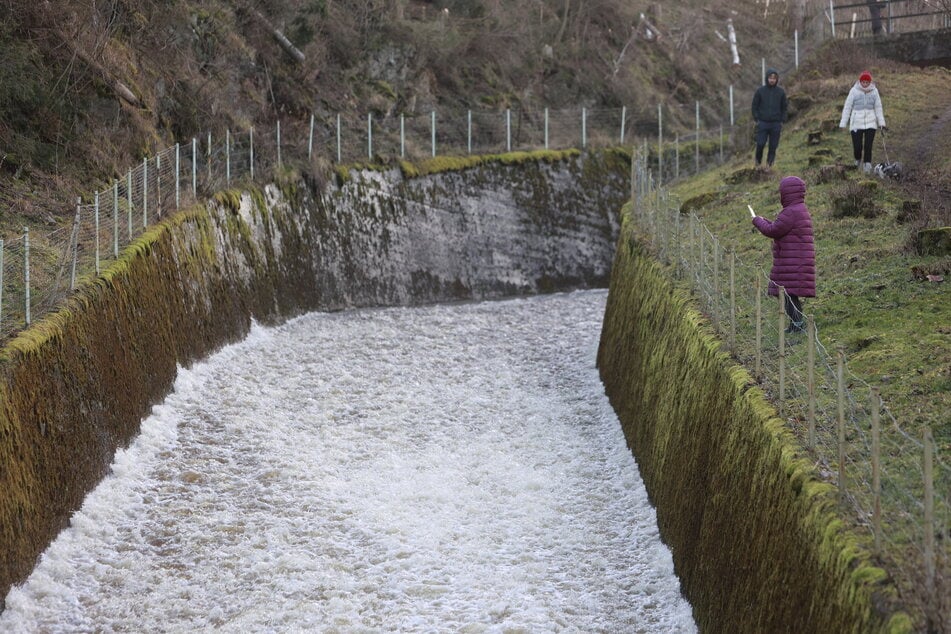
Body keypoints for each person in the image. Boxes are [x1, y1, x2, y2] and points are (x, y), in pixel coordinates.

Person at [751, 176, 815, 334]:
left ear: (786, 193)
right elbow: (778, 227)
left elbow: (773, 230)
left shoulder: (791, 212)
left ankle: (798, 324)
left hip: (792, 262)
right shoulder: (799, 209)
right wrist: (764, 220)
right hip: (793, 260)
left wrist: (757, 221)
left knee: (787, 293)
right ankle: (796, 324)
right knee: (788, 293)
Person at [839, 71, 886, 174]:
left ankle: (867, 165)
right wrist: (843, 123)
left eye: (867, 82)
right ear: (860, 81)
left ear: (870, 82)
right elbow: (847, 107)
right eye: (863, 82)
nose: (865, 84)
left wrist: (881, 122)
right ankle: (857, 159)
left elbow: (878, 107)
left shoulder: (875, 91)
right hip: (856, 122)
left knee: (868, 145)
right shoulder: (853, 91)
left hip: (871, 122)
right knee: (858, 146)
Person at [751, 68, 788, 168]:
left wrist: (782, 120)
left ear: (777, 79)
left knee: (773, 146)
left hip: (776, 124)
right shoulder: (760, 91)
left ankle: (769, 166)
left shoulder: (781, 92)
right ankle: (758, 164)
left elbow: (784, 107)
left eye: (774, 78)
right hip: (762, 123)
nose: (772, 80)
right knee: (760, 144)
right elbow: (754, 106)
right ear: (766, 78)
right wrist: (757, 119)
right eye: (770, 78)